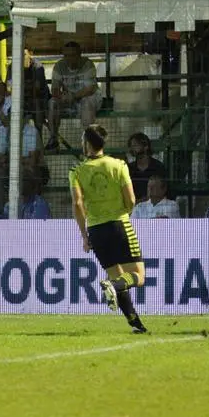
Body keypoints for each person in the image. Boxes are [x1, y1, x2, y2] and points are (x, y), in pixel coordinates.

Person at [69, 124, 148, 334]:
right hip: (119, 224)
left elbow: (77, 204)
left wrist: (85, 235)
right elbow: (130, 199)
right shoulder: (118, 165)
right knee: (138, 276)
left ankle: (135, 323)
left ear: (86, 143)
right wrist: (125, 211)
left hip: (96, 230)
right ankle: (114, 288)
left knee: (116, 275)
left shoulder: (76, 171)